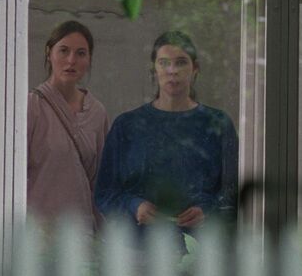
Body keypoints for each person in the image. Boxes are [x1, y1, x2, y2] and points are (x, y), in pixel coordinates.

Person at [94, 30, 238, 232]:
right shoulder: (127, 125)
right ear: (154, 70)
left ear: (195, 68)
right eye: (163, 63)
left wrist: (207, 210)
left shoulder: (218, 124)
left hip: (200, 249)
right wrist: (135, 206)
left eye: (181, 62)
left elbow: (234, 194)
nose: (172, 70)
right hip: (138, 250)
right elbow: (105, 193)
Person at [27, 21, 109, 232]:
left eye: (81, 53)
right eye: (63, 51)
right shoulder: (31, 106)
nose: (71, 60)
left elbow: (100, 181)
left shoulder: (96, 112)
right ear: (49, 53)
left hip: (81, 232)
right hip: (39, 231)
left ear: (89, 59)